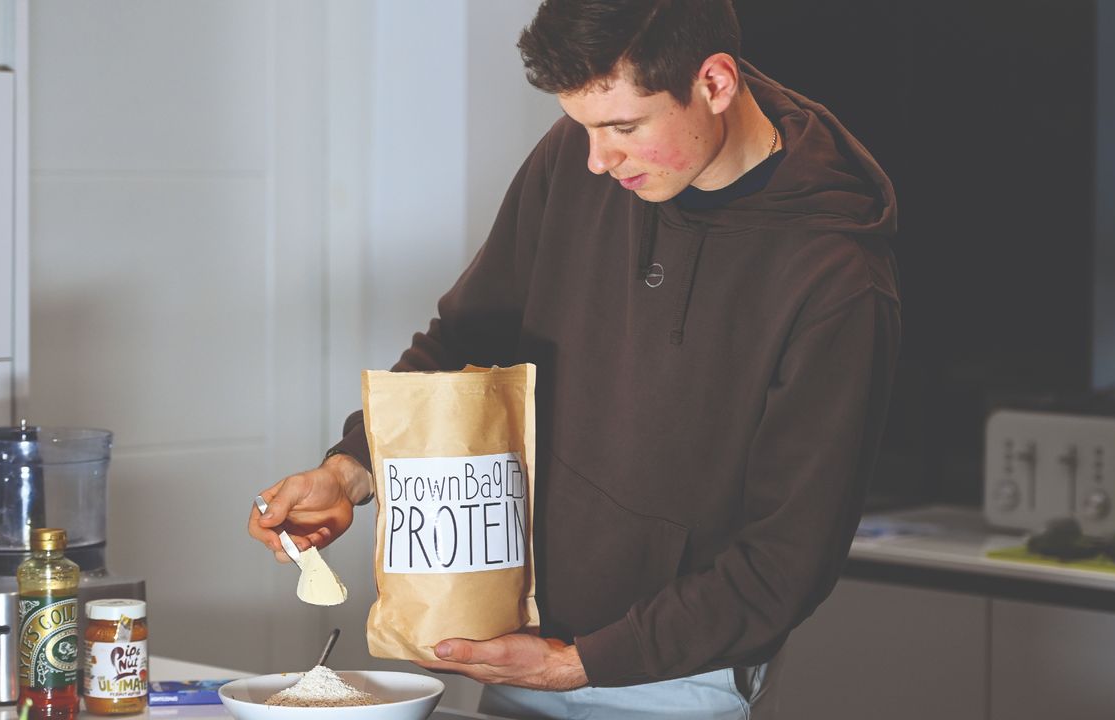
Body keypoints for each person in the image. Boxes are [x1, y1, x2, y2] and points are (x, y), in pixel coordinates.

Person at [249, 0, 900, 717]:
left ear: (714, 84)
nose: (598, 159)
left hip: (672, 679)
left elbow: (785, 563)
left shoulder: (837, 280)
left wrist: (584, 664)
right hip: (524, 643)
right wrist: (351, 467)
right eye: (581, 125)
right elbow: (467, 343)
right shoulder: (576, 160)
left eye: (623, 127)